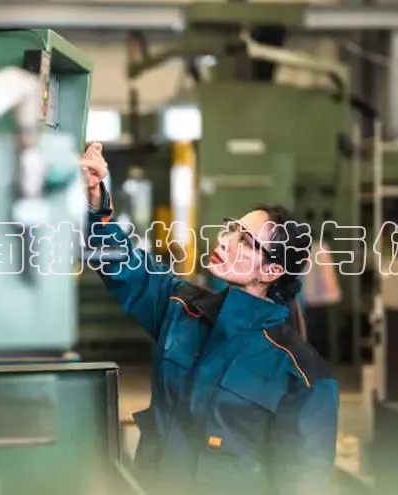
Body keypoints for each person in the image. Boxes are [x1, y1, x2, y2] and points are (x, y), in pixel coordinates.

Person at [81, 143, 339, 495]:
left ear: (272, 271)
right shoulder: (181, 308)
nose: (226, 240)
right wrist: (96, 198)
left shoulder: (301, 373)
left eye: (245, 241)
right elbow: (120, 261)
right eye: (232, 228)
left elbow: (304, 482)